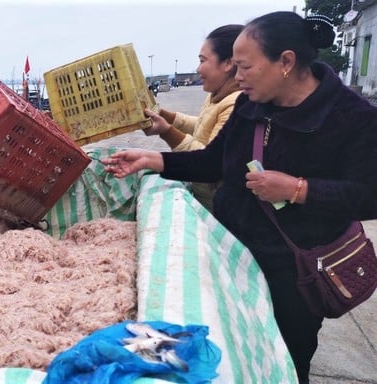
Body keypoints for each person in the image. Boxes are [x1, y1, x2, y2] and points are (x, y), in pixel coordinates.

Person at [102, 12, 377, 383]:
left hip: (294, 271)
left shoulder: (354, 117)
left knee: (287, 358)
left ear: (286, 62)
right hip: (235, 255)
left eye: (245, 66)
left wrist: (299, 190)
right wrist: (152, 159)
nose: (237, 75)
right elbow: (215, 161)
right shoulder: (251, 105)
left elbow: (368, 195)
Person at [142, 24, 243, 211]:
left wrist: (167, 132)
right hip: (203, 196)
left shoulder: (236, 103)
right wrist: (165, 115)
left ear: (228, 63)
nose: (197, 69)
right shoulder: (216, 95)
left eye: (202, 60)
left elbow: (208, 160)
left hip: (217, 209)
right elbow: (202, 125)